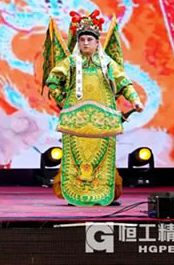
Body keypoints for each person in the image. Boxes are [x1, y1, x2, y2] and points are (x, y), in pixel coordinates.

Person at [42, 11, 144, 206]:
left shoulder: (108, 64)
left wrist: (135, 100)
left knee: (103, 157)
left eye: (90, 39)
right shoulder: (71, 63)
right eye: (82, 40)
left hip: (102, 121)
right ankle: (76, 193)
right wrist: (63, 100)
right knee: (75, 157)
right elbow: (52, 80)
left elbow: (124, 83)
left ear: (98, 42)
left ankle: (102, 193)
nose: (86, 43)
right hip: (76, 121)